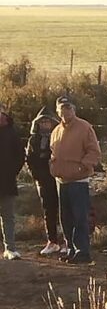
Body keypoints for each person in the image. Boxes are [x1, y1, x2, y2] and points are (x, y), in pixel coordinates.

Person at [49, 94, 101, 264]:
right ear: (58, 112)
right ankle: (70, 249)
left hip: (78, 181)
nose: (65, 112)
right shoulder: (56, 131)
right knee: (66, 219)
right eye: (62, 109)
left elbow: (94, 151)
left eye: (68, 108)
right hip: (61, 181)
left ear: (74, 110)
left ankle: (83, 251)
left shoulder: (84, 127)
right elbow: (53, 152)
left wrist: (83, 166)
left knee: (80, 217)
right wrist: (53, 166)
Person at [25, 105, 62, 255]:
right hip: (42, 180)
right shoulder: (33, 140)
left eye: (47, 121)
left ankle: (66, 242)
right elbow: (29, 160)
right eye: (42, 122)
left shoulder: (59, 137)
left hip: (59, 178)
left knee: (64, 211)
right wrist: (36, 176)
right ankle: (52, 241)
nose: (45, 124)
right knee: (48, 210)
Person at [0, 105, 27, 259]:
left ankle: (10, 248)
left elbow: (20, 156)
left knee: (8, 216)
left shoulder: (12, 132)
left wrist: (12, 172)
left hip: (7, 181)